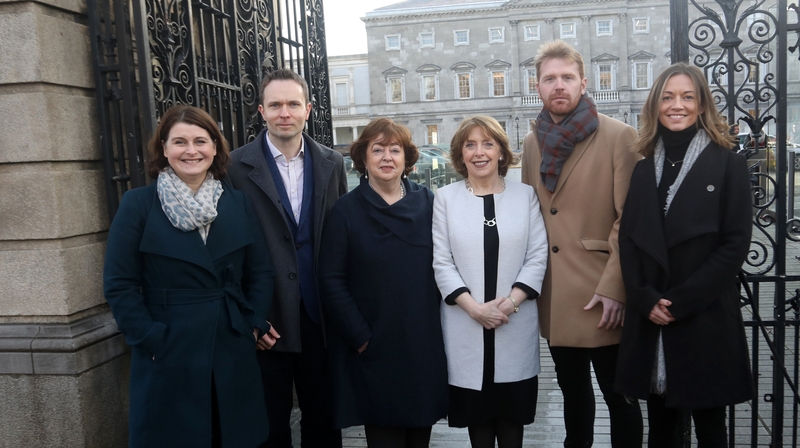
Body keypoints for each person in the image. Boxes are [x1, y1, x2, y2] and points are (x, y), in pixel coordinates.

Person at [103, 104, 274, 447]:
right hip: (169, 348)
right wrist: (151, 338)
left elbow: (260, 272)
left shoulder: (237, 202)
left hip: (230, 345)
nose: (191, 150)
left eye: (200, 141)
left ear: (215, 147)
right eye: (179, 142)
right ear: (164, 149)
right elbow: (119, 284)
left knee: (233, 436)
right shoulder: (138, 204)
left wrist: (251, 325)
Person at [615, 62, 755, 447]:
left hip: (703, 314)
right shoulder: (644, 169)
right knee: (660, 429)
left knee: (711, 428)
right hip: (652, 318)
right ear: (656, 106)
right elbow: (629, 240)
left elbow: (735, 244)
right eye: (668, 97)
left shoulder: (728, 163)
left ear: (702, 105)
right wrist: (644, 298)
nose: (677, 105)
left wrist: (681, 302)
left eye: (687, 97)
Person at [520, 39, 643, 447]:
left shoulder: (619, 136)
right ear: (537, 86)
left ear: (583, 83)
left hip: (602, 291)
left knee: (619, 396)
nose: (559, 85)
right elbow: (530, 215)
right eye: (549, 78)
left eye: (567, 77)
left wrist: (616, 289)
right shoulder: (533, 141)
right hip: (556, 293)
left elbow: (631, 221)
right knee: (573, 395)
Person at [228, 68, 347, 448]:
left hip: (320, 318)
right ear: (261, 110)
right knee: (269, 427)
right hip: (267, 321)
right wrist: (250, 316)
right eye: (275, 105)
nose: (285, 113)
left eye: (293, 104)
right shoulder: (234, 167)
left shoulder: (332, 163)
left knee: (323, 424)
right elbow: (229, 251)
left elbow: (340, 239)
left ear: (307, 109)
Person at [318, 117, 448, 447]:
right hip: (373, 345)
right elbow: (331, 279)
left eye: (395, 149)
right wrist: (360, 336)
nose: (387, 157)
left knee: (420, 437)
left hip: (421, 344)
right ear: (363, 158)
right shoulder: (346, 210)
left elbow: (447, 265)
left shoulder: (428, 203)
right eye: (377, 150)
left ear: (407, 158)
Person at [433, 116, 549, 448]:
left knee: (512, 426)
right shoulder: (445, 198)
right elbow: (442, 261)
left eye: (488, 143)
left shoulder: (525, 196)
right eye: (470, 145)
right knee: (479, 427)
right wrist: (474, 309)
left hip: (514, 324)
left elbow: (537, 255)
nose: (479, 152)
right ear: (461, 154)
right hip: (466, 326)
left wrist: (510, 303)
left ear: (501, 151)